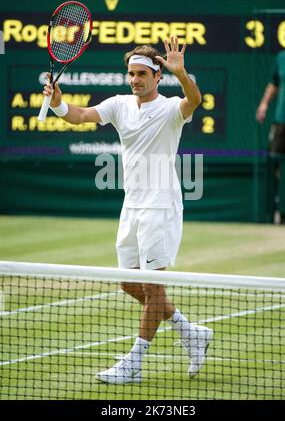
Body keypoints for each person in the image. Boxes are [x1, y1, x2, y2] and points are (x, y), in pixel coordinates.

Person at [43, 36, 213, 384]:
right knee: (128, 283)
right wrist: (60, 104)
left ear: (156, 77)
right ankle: (191, 333)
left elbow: (194, 100)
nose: (134, 79)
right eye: (131, 74)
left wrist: (182, 74)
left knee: (153, 289)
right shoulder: (120, 104)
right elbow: (79, 116)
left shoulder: (170, 109)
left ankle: (133, 363)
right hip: (132, 204)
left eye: (141, 74)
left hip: (160, 206)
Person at [256, 24, 285, 222]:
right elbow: (274, 84)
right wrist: (264, 104)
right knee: (276, 162)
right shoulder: (281, 59)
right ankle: (278, 205)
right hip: (281, 120)